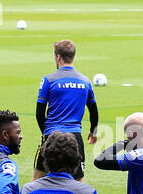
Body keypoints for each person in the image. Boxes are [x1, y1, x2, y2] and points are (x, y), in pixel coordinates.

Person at [34, 39, 98, 180]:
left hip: (52, 135)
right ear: (73, 56)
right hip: (75, 137)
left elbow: (39, 113)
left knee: (37, 179)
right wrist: (93, 130)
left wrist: (46, 134)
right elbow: (93, 109)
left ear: (58, 57)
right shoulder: (85, 81)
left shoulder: (48, 80)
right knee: (79, 181)